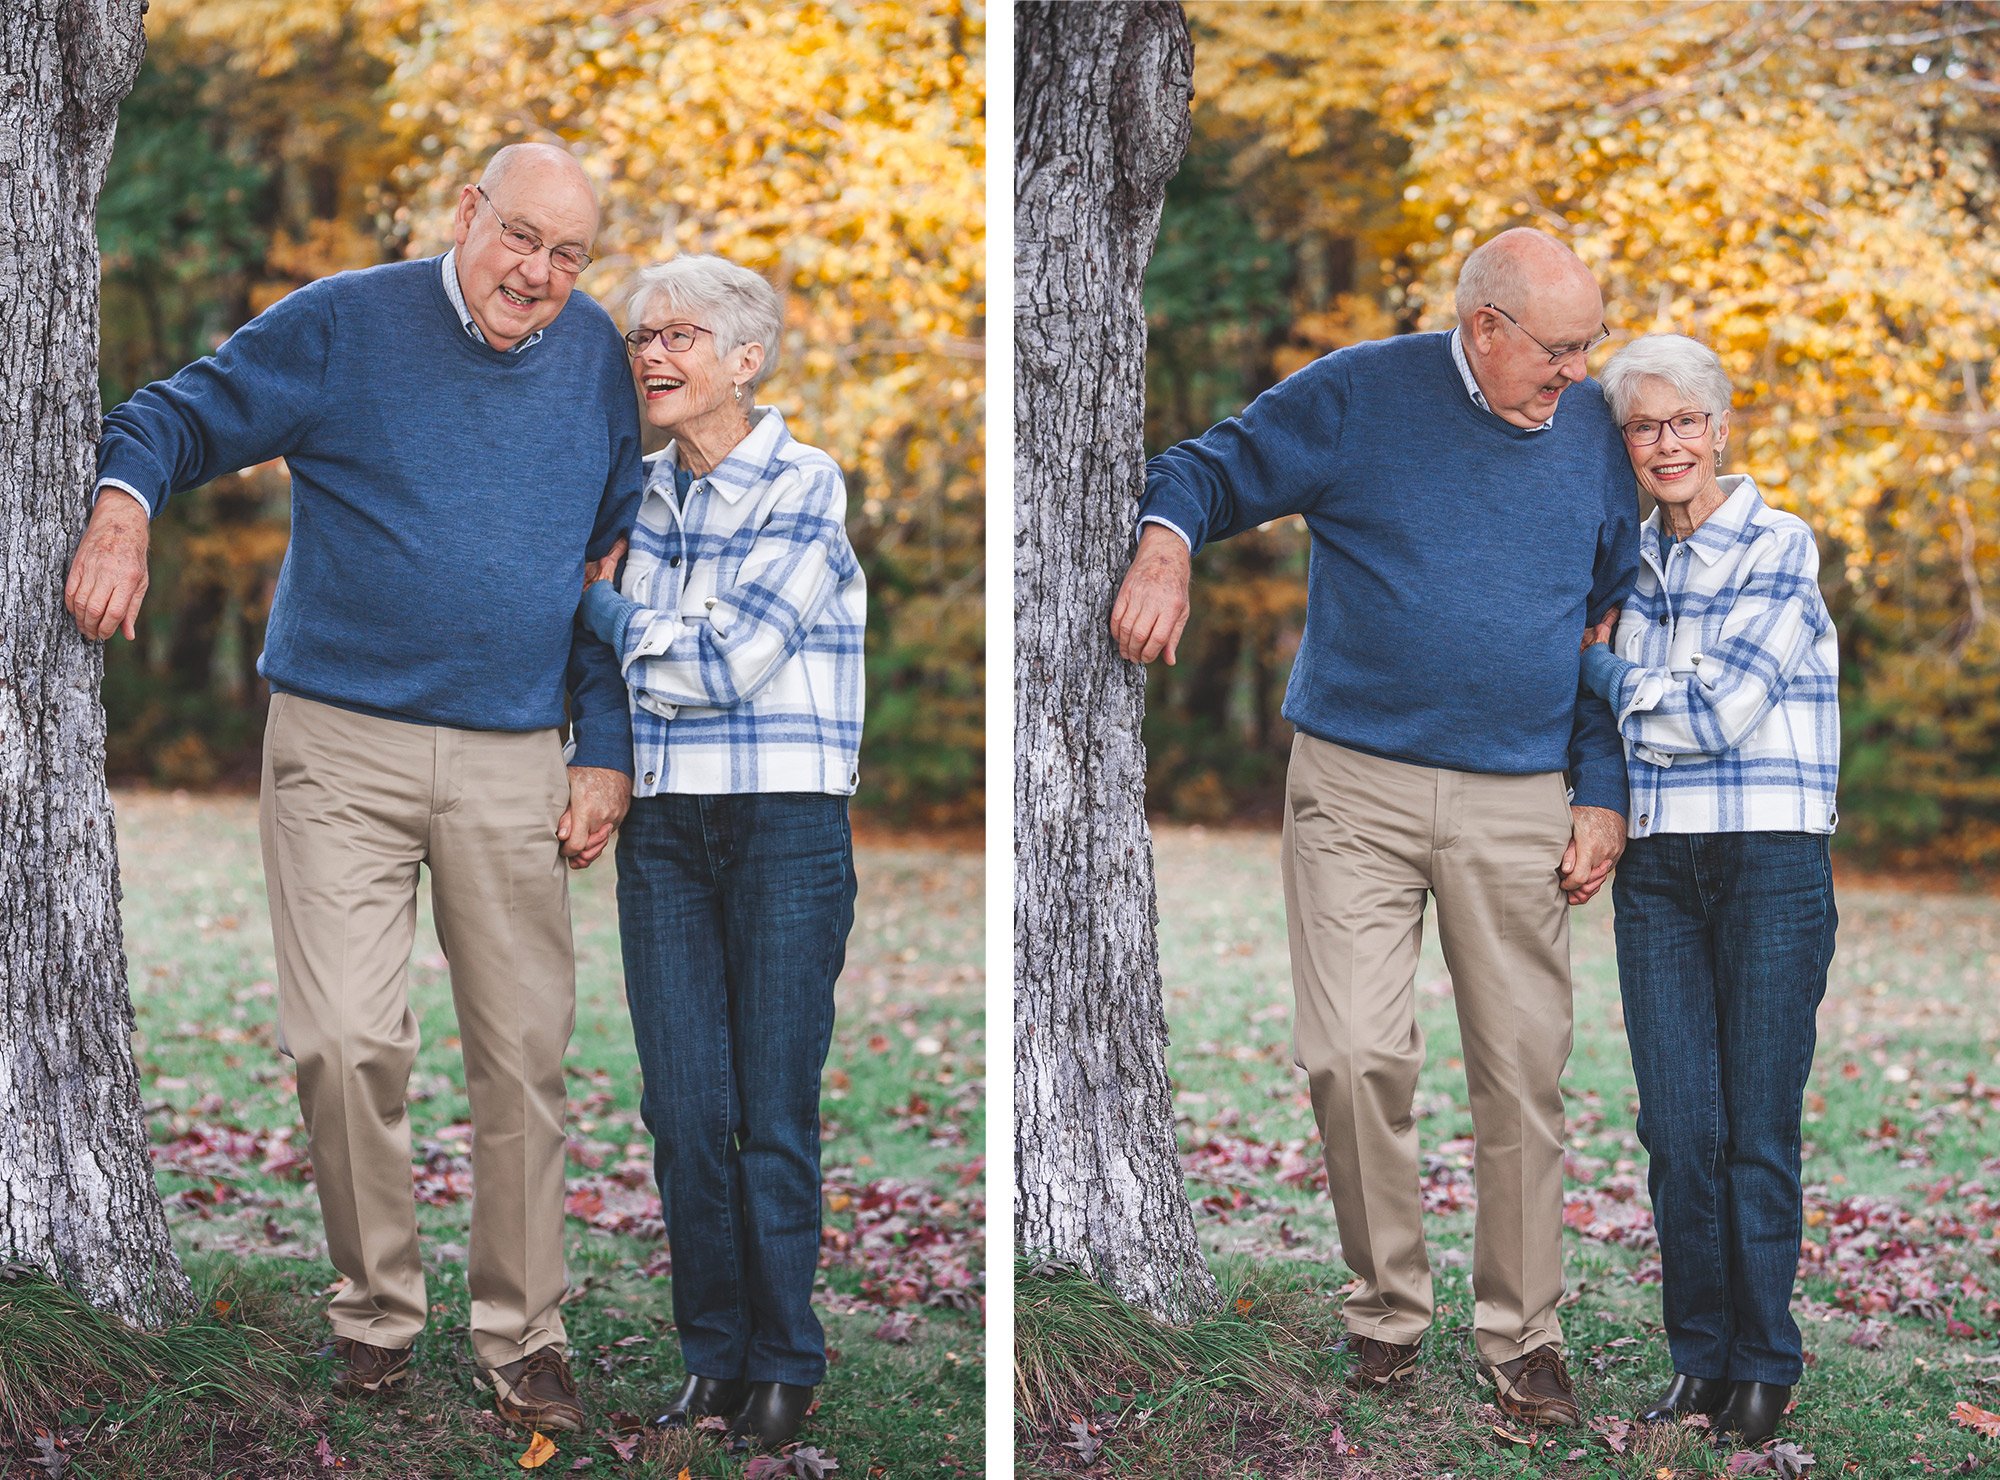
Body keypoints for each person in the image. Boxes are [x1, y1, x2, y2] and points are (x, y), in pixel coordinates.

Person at [65, 143, 641, 1435]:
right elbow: (178, 413)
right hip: (339, 747)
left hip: (513, 757)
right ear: (465, 216)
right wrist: (123, 509)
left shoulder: (599, 355)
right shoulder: (346, 324)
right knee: (344, 1046)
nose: (539, 276)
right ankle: (377, 1317)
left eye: (569, 256)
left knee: (524, 1060)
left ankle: (525, 1337)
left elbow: (617, 565)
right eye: (521, 239)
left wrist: (602, 746)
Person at [1112, 227, 1639, 1427]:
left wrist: (1598, 787)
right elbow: (1206, 466)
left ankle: (1523, 1338)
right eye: (1555, 349)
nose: (1574, 372)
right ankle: (1385, 1310)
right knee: (1351, 1056)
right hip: (1353, 785)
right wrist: (1164, 546)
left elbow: (1608, 624)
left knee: (1519, 1073)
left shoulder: (1595, 430)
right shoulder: (1361, 393)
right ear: (1483, 327)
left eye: (1586, 347)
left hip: (1518, 794)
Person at [574, 254, 865, 1454]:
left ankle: (785, 1362)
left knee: (772, 1112)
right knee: (684, 1109)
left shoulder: (807, 484)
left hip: (784, 824)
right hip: (667, 830)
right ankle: (711, 1359)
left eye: (680, 335)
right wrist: (639, 630)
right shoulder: (630, 493)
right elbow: (660, 660)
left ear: (745, 359)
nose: (651, 354)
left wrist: (600, 609)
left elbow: (726, 660)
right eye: (642, 335)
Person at [1581, 334, 1839, 1449]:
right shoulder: (1628, 564)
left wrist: (1597, 668)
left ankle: (1763, 1362)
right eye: (1643, 425)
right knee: (1676, 1129)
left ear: (1719, 425)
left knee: (1754, 1130)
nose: (1665, 442)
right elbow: (1664, 709)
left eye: (1684, 419)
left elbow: (1720, 709)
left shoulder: (1780, 543)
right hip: (1657, 869)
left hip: (1768, 862)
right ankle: (1698, 1359)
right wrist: (1644, 685)